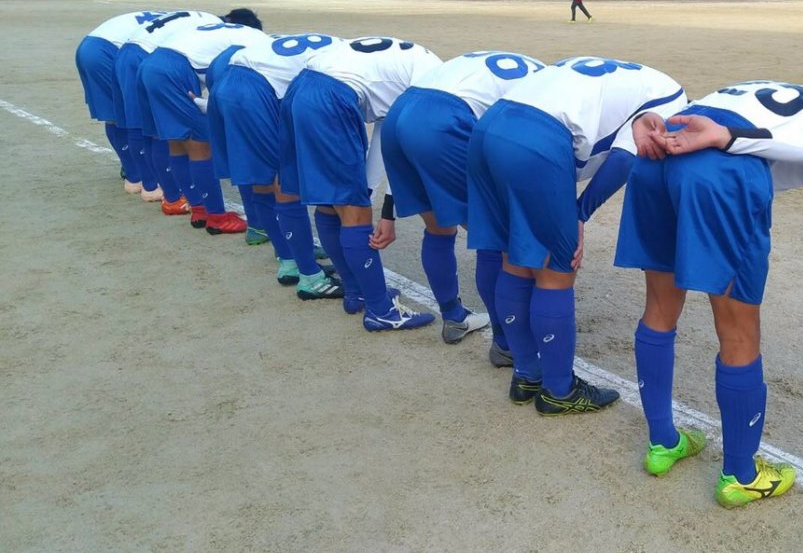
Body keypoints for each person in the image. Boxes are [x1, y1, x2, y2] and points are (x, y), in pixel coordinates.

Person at [614, 80, 803, 509]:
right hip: (716, 160)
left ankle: (663, 441)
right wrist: (727, 137)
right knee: (739, 332)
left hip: (662, 151)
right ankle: (741, 475)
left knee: (660, 308)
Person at [467, 56, 686, 415]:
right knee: (556, 270)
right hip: (536, 138)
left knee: (512, 257)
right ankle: (559, 390)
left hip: (490, 125)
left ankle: (526, 374)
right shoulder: (675, 99)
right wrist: (580, 212)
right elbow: (626, 158)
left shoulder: (639, 79)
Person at [381, 51, 546, 356]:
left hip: (400, 110)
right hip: (442, 118)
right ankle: (506, 343)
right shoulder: (552, 97)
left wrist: (387, 211)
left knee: (438, 227)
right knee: (495, 238)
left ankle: (453, 316)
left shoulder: (539, 73)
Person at [280, 36, 443, 331]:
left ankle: (357, 292)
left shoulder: (421, 64)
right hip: (330, 96)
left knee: (331, 202)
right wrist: (383, 209)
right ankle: (381, 311)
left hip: (301, 86)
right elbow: (403, 148)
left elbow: (385, 134)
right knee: (354, 211)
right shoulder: (433, 84)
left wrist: (368, 192)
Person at [203, 33, 345, 298]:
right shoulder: (344, 64)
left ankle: (289, 260)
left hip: (230, 81)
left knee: (264, 181)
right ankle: (310, 277)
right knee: (285, 182)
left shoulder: (339, 48)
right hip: (254, 90)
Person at [139, 9, 271, 235]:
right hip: (174, 70)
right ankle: (217, 217)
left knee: (177, 141)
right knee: (201, 144)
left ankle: (199, 208)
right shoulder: (257, 40)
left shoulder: (220, 31)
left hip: (151, 64)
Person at [119, 9, 228, 220]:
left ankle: (157, 189)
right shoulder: (232, 36)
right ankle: (182, 198)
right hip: (156, 56)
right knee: (192, 136)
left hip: (129, 52)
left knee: (150, 128)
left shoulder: (207, 21)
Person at [76, 10, 169, 196]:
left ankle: (133, 175)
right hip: (109, 51)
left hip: (89, 46)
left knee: (114, 116)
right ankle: (147, 181)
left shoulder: (189, 20)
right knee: (137, 115)